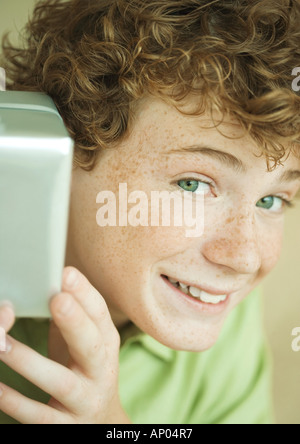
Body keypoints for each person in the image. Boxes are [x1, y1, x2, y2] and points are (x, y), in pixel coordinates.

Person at [0, 0, 299, 424]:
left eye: (271, 200)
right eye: (194, 184)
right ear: (64, 144)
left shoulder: (215, 304)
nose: (243, 258)